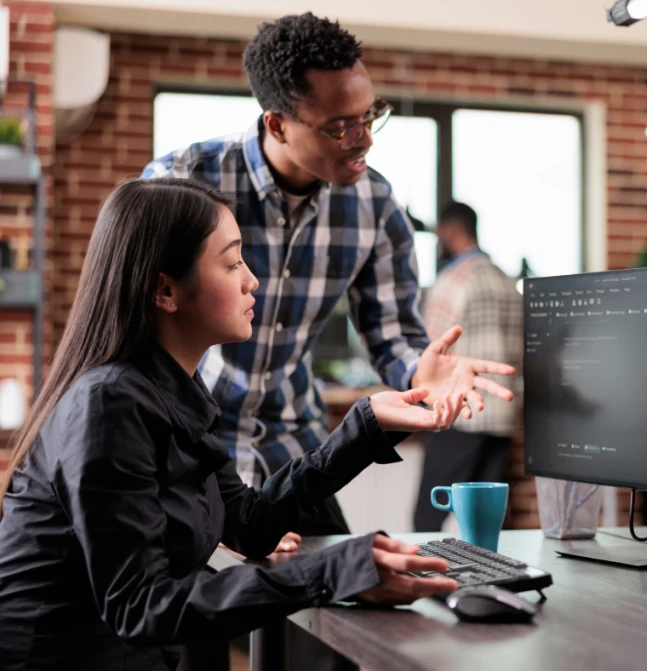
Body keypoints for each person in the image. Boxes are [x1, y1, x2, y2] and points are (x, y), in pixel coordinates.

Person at [0, 178, 464, 671]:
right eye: (231, 262)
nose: (252, 280)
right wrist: (331, 570)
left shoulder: (174, 390)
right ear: (165, 289)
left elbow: (248, 523)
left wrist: (366, 426)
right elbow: (141, 605)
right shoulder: (108, 404)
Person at [141, 13, 515, 536]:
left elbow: (394, 336)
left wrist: (419, 375)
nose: (363, 140)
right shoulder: (183, 182)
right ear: (277, 124)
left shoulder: (376, 204)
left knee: (345, 592)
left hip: (292, 444)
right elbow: (138, 339)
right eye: (341, 126)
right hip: (186, 442)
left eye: (371, 115)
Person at [413, 201, 523, 532]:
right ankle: (488, 580)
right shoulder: (505, 280)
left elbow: (430, 348)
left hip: (460, 415)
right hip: (502, 415)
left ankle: (424, 583)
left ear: (450, 230)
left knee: (427, 518)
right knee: (486, 522)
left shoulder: (454, 279)